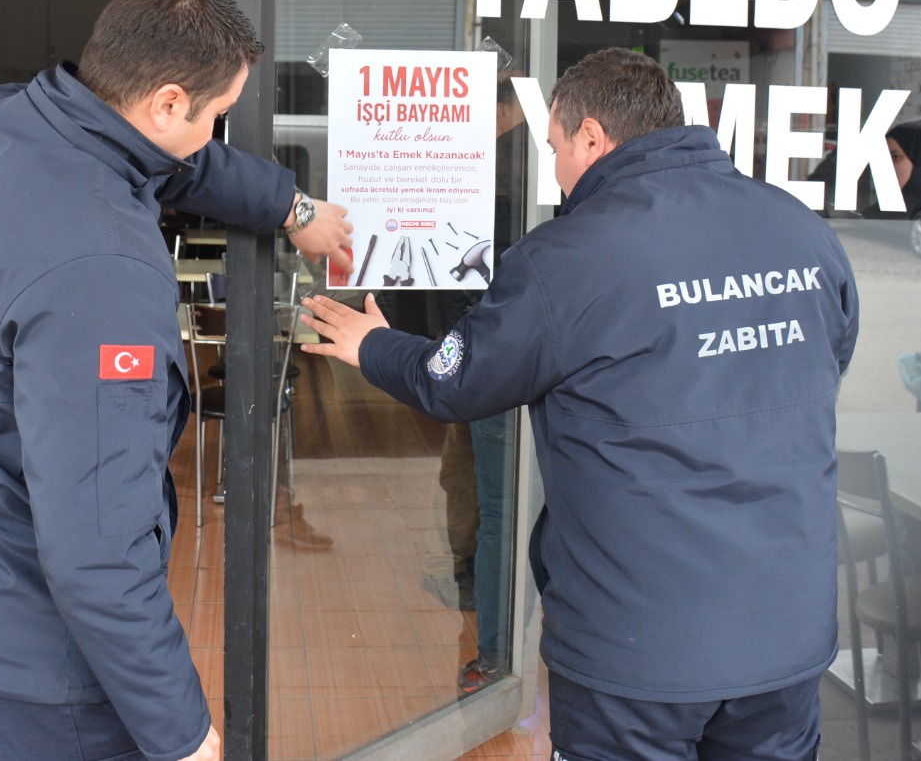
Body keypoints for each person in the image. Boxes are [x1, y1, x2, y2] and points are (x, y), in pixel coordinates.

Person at [300, 48, 859, 761]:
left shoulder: (565, 259)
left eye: (557, 148)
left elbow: (456, 381)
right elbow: (826, 359)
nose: (557, 171)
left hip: (638, 652)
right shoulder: (801, 231)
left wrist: (375, 344)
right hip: (786, 638)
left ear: (592, 137)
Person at [0, 0, 352, 761]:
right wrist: (184, 735)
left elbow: (171, 158)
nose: (216, 132)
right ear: (165, 101)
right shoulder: (100, 276)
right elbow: (97, 550)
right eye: (219, 114)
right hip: (25, 652)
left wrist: (290, 208)